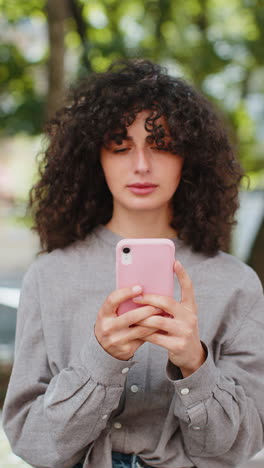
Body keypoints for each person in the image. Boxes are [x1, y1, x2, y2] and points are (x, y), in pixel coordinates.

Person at [2, 59, 264, 468]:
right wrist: (101, 359)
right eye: (120, 147)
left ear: (189, 158)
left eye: (161, 145)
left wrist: (195, 364)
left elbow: (238, 448)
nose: (141, 165)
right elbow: (32, 442)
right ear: (95, 158)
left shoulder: (236, 284)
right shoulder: (49, 277)